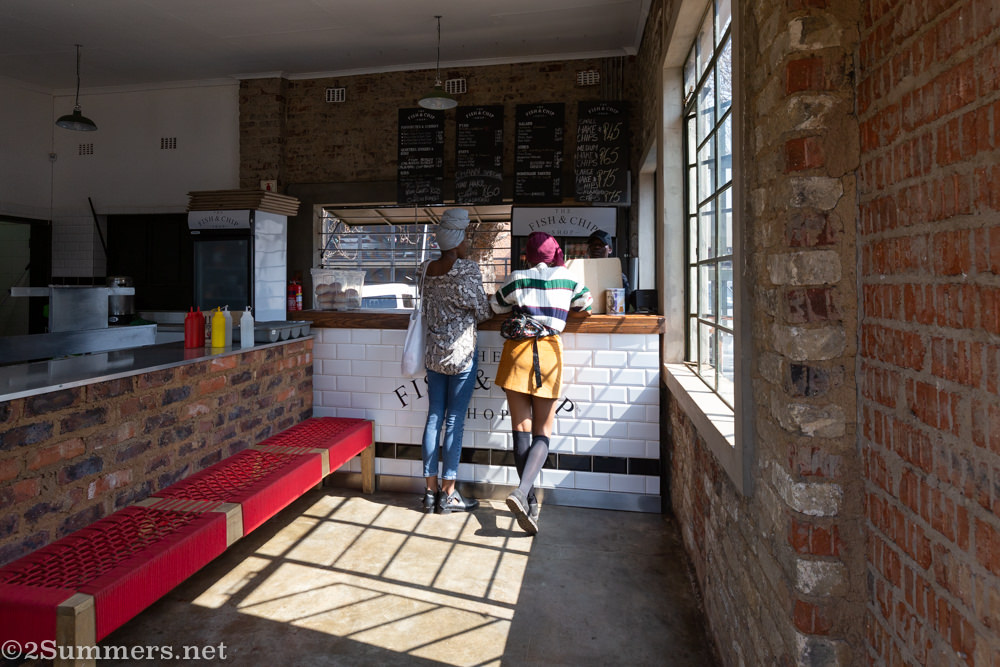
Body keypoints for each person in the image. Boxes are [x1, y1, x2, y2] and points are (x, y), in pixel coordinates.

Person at [492, 231, 593, 534]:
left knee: (520, 432)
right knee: (542, 433)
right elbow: (585, 303)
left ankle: (528, 502)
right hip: (548, 354)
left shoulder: (516, 277)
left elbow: (496, 306)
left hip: (517, 353)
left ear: (527, 255)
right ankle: (522, 494)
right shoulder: (567, 278)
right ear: (555, 253)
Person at [419, 208, 493, 514]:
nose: (469, 245)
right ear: (458, 240)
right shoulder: (466, 271)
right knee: (453, 421)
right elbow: (485, 311)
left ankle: (429, 492)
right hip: (460, 356)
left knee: (434, 416)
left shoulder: (426, 269)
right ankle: (448, 494)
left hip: (433, 353)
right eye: (467, 239)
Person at [587, 230, 630, 295]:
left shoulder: (617, 276)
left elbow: (625, 298)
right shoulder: (582, 272)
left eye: (600, 245)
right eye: (593, 245)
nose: (596, 247)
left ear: (610, 249)